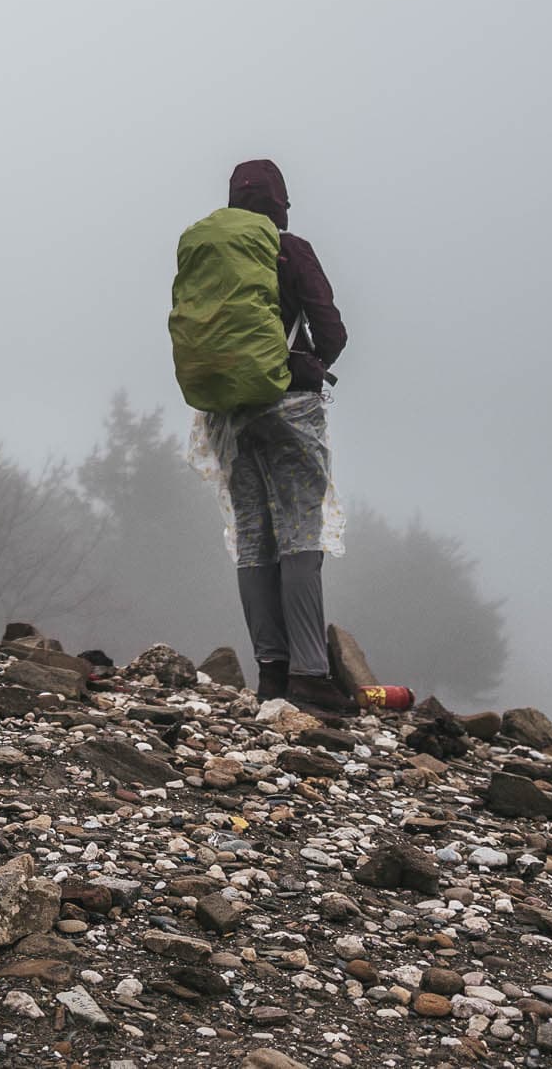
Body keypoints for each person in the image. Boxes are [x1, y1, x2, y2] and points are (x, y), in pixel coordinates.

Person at [171, 159, 350, 716]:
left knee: (253, 537)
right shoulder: (288, 249)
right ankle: (311, 675)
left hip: (226, 412)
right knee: (300, 533)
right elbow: (332, 330)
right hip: (290, 405)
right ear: (280, 207)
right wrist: (307, 366)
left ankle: (270, 674)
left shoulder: (210, 251)